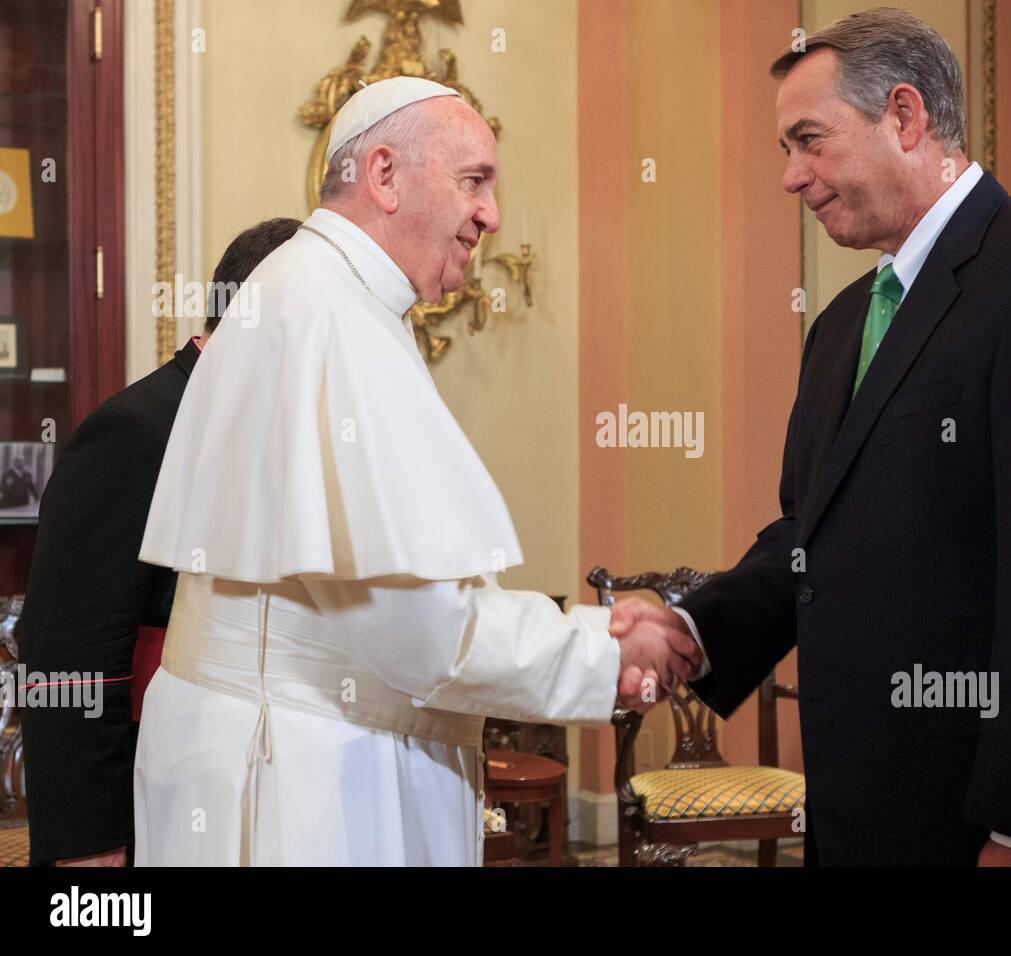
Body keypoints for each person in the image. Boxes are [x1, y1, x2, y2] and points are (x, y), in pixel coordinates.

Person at [611, 8, 1011, 866]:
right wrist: (694, 628)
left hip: (1006, 828)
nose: (793, 177)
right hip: (870, 812)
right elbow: (810, 537)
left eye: (810, 140)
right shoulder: (841, 324)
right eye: (784, 151)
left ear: (906, 117)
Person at [133, 77, 699, 866]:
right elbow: (425, 632)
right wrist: (603, 649)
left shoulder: (310, 292)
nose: (492, 216)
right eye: (474, 181)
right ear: (385, 175)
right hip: (304, 778)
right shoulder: (334, 316)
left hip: (269, 747)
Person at [18, 217, 302, 866]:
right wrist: (92, 851)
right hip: (141, 816)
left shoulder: (269, 427)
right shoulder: (136, 430)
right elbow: (66, 661)